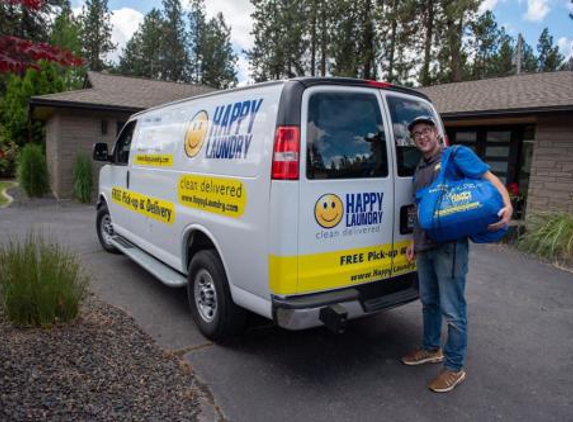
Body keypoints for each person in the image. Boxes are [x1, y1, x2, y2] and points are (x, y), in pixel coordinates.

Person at [401, 116, 512, 393]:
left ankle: (454, 366)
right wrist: (414, 242)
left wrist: (508, 205)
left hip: (450, 247)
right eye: (417, 134)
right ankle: (431, 348)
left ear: (437, 133)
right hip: (425, 246)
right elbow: (418, 210)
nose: (422, 137)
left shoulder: (455, 155)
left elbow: (488, 177)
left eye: (426, 131)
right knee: (429, 302)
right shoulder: (420, 168)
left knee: (453, 308)